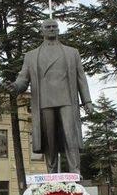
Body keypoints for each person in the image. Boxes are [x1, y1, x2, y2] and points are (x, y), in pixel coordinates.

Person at [9, 18, 94, 174]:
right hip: (45, 101)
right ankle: (52, 174)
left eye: (54, 26)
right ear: (42, 31)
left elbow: (81, 78)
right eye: (48, 27)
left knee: (71, 137)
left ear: (59, 29)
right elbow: (23, 78)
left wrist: (87, 101)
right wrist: (15, 86)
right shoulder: (31, 55)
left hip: (67, 99)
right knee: (50, 140)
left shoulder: (72, 53)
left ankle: (75, 172)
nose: (51, 29)